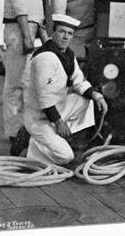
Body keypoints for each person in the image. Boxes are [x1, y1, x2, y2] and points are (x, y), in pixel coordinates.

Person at [22, 14, 108, 165]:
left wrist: (96, 95)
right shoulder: (46, 58)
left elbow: (78, 80)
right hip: (39, 118)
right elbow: (44, 97)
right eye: (62, 32)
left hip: (57, 109)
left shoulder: (67, 54)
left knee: (85, 101)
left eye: (69, 33)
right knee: (65, 157)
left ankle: (57, 138)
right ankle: (30, 149)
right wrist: (59, 122)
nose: (65, 37)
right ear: (53, 32)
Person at [2, 0, 51, 143]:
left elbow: (35, 10)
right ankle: (14, 133)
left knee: (25, 82)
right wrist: (27, 37)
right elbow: (20, 6)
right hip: (20, 30)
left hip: (27, 29)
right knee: (16, 84)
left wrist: (42, 37)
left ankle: (21, 130)